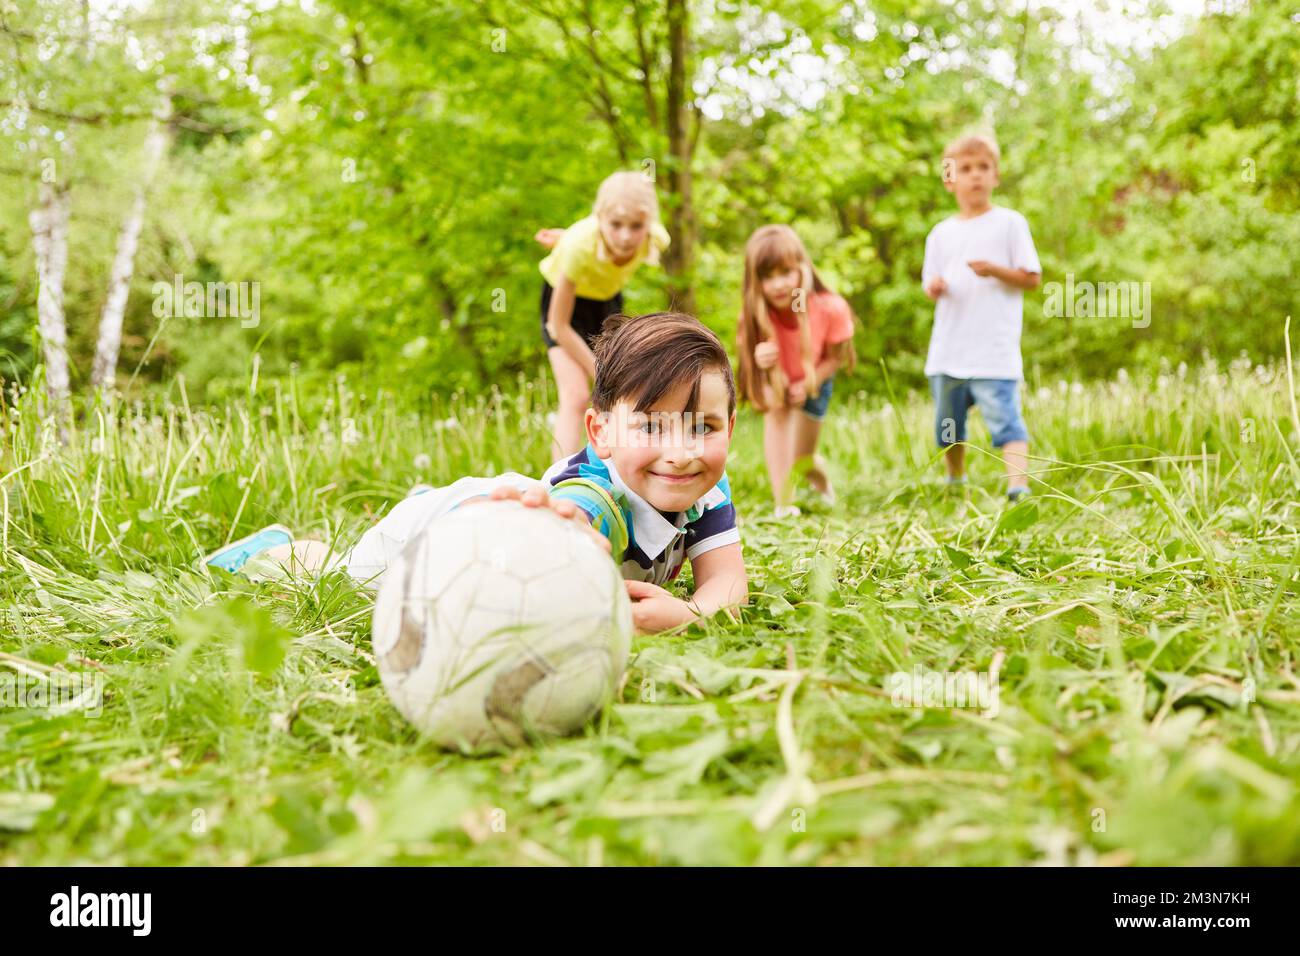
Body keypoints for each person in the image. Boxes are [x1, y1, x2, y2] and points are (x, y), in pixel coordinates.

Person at [204, 312, 747, 635]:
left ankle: (425, 497)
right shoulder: (592, 497)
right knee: (344, 580)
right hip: (437, 538)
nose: (680, 453)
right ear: (599, 433)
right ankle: (272, 552)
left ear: (730, 425)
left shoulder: (705, 486)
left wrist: (691, 614)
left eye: (703, 426)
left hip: (478, 516)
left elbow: (727, 582)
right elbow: (564, 536)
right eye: (651, 429)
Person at [922, 133, 1042, 502]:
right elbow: (929, 284)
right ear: (949, 179)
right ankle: (954, 480)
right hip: (949, 350)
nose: (975, 176)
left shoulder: (1010, 223)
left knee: (1006, 419)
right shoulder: (941, 233)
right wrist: (936, 287)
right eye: (966, 168)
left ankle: (1017, 486)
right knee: (948, 426)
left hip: (993, 350)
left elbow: (1032, 278)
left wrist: (995, 270)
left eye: (984, 168)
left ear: (996, 176)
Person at [534, 171, 671, 459]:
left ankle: (612, 468)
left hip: (607, 301)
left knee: (615, 395)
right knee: (576, 395)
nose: (625, 236)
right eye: (616, 224)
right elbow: (557, 325)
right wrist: (597, 367)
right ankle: (560, 481)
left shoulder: (657, 239)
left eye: (636, 226)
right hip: (564, 311)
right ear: (599, 219)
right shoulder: (578, 248)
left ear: (649, 222)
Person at [734, 224, 856, 518]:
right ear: (755, 280)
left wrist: (810, 384)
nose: (778, 284)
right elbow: (749, 365)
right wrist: (761, 358)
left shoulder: (830, 308)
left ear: (803, 269)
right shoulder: (755, 314)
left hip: (816, 378)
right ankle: (784, 504)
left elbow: (836, 358)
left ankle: (820, 479)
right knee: (776, 414)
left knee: (802, 458)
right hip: (777, 381)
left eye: (785, 272)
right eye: (767, 276)